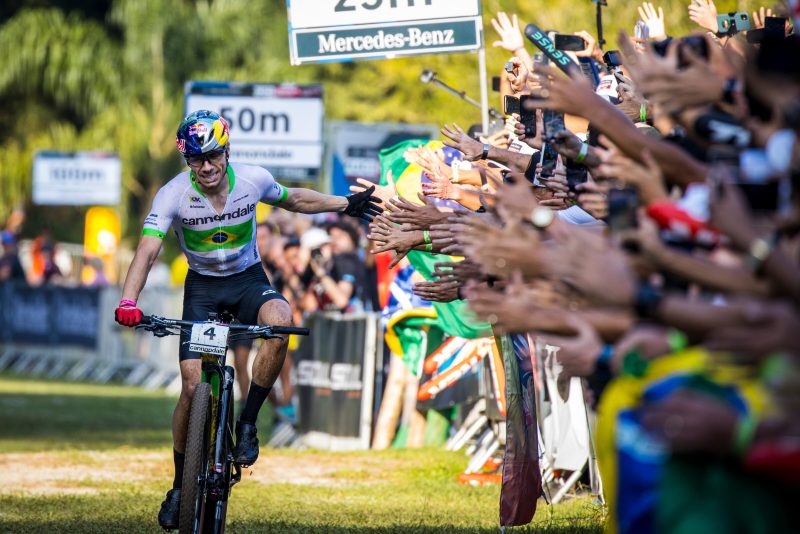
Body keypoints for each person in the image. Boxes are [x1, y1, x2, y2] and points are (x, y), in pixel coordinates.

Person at [113, 109, 382, 530]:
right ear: (186, 162)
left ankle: (249, 422)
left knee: (279, 319)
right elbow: (148, 249)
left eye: (213, 156)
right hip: (202, 289)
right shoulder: (173, 194)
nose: (206, 167)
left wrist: (346, 204)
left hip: (248, 280)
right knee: (189, 385)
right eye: (196, 160)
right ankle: (180, 486)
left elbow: (294, 198)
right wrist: (129, 300)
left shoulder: (252, 179)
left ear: (227, 151)